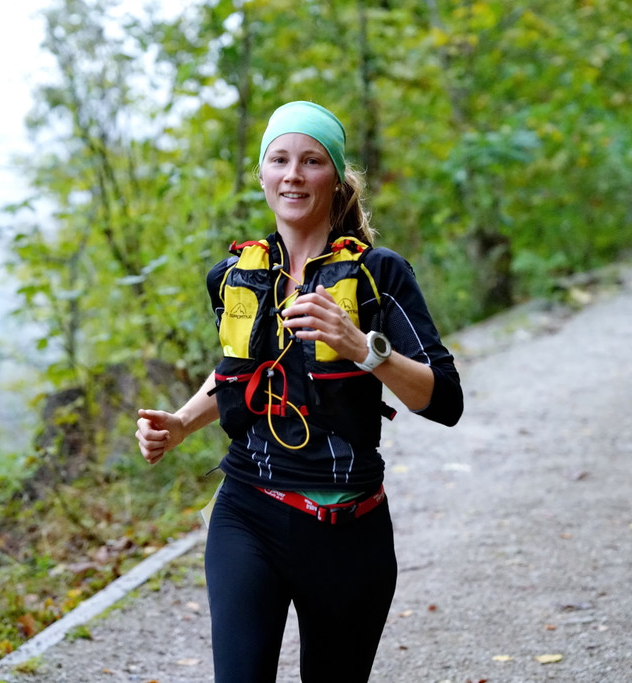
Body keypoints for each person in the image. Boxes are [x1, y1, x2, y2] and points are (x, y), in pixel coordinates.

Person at [136, 101, 463, 682]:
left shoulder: (379, 274)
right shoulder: (234, 275)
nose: (293, 174)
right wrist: (182, 422)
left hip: (349, 530)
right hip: (248, 512)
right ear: (262, 175)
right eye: (280, 160)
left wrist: (363, 348)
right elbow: (241, 370)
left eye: (311, 161)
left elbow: (445, 402)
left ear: (336, 178)